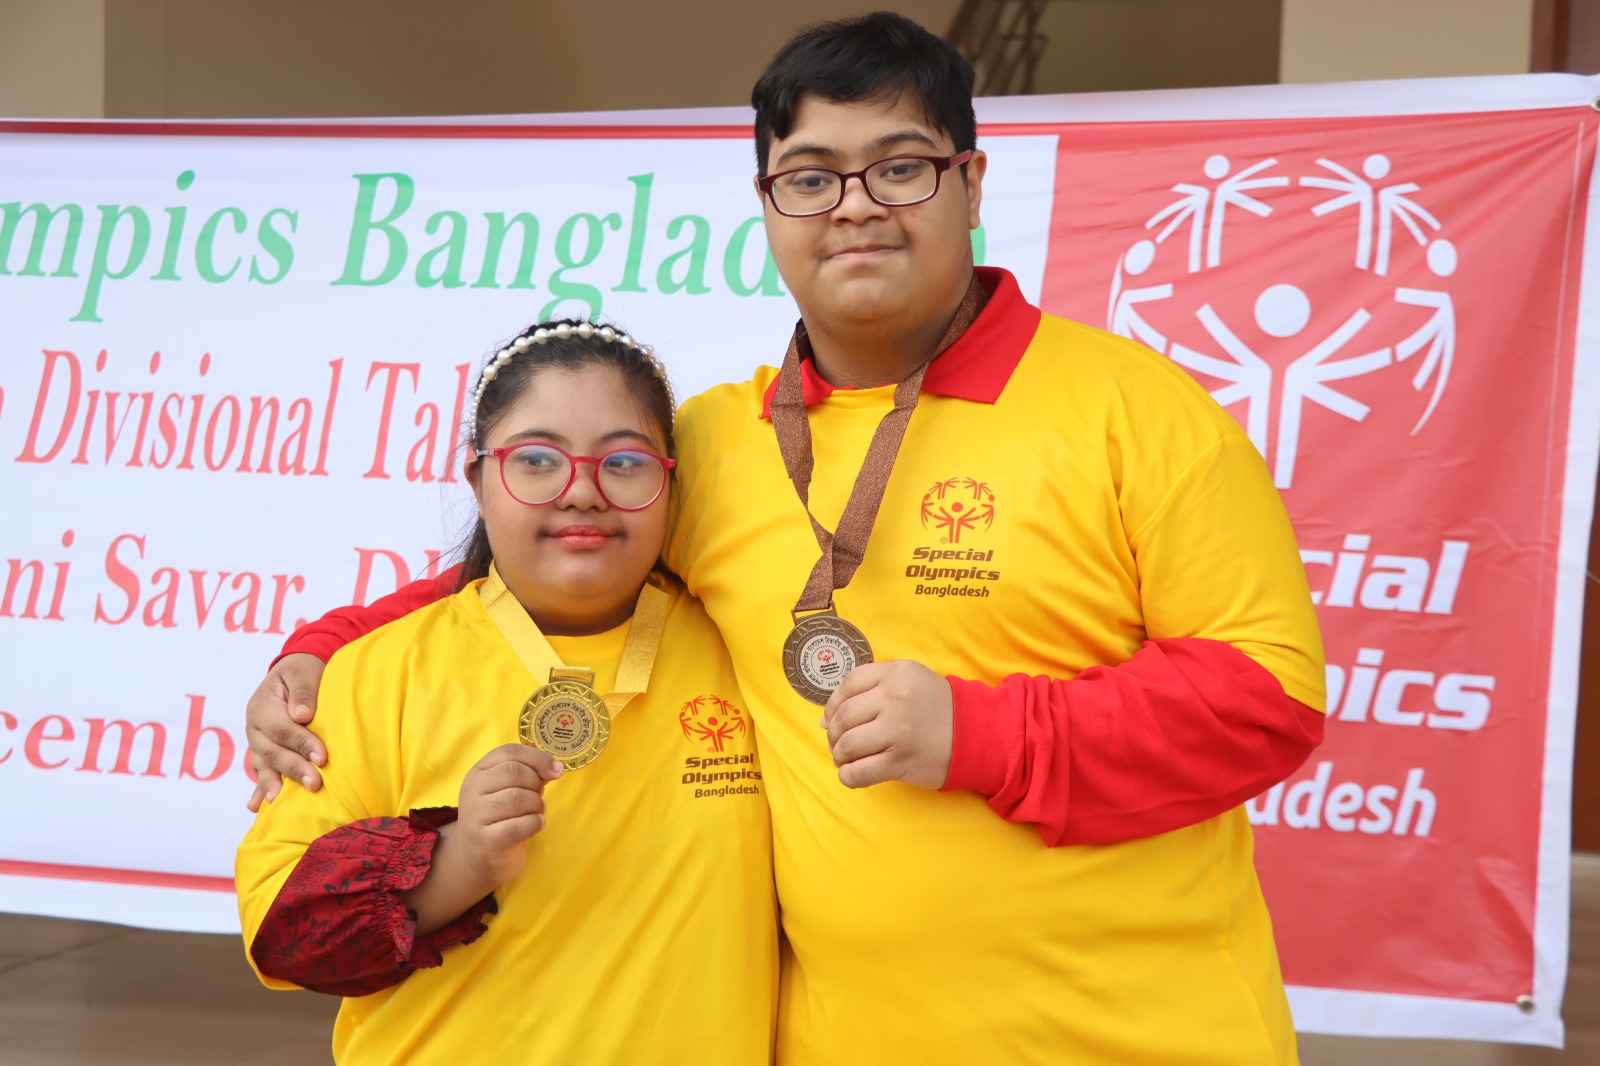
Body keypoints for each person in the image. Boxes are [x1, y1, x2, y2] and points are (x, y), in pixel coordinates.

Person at [246, 13, 1327, 1065]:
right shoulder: (718, 442)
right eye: (809, 177)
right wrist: (320, 648)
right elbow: (546, 550)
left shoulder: (1137, 410)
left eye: (898, 167)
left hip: (1141, 1038)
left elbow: (1268, 700)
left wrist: (980, 730)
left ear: (970, 182)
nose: (853, 208)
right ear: (768, 205)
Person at [235, 321, 777, 1064]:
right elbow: (283, 935)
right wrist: (458, 861)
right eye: (535, 460)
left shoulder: (743, 652)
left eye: (623, 461)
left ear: (671, 482)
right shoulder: (381, 672)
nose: (582, 492)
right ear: (479, 481)